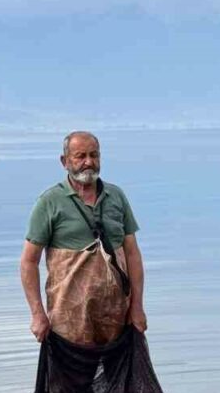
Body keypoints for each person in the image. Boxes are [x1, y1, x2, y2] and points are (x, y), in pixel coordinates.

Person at [20, 131, 146, 347]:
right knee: (69, 370)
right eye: (80, 156)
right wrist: (37, 314)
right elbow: (28, 262)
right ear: (64, 161)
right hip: (68, 321)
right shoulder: (49, 202)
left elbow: (132, 254)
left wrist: (137, 307)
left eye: (94, 155)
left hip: (117, 317)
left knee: (124, 369)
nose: (89, 162)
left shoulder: (116, 196)